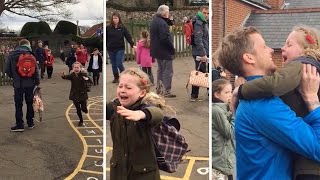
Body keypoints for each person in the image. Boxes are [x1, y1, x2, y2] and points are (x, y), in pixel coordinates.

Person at [216, 26, 320, 179]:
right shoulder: (262, 105)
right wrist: (312, 100)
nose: (272, 50)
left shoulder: (256, 99)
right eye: (264, 46)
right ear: (249, 58)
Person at [107, 68, 171, 180]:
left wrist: (142, 114)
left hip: (143, 174)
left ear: (142, 93)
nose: (122, 90)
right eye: (120, 86)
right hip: (119, 171)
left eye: (128, 87)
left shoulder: (146, 107)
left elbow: (158, 113)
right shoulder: (114, 108)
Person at [5, 39, 40, 131]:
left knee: (18, 104)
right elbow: (36, 71)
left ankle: (19, 125)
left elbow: (7, 70)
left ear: (19, 45)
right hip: (30, 84)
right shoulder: (31, 54)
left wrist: (14, 77)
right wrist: (37, 82)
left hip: (18, 84)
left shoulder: (11, 55)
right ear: (27, 45)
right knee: (29, 103)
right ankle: (30, 123)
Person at [150, 5, 176, 98]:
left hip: (157, 51)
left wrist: (169, 21)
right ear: (164, 12)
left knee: (160, 70)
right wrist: (172, 48)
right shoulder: (162, 23)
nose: (169, 13)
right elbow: (164, 38)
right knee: (167, 71)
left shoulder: (155, 20)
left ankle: (159, 88)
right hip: (164, 51)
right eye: (168, 11)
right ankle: (167, 91)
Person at [212, 79, 235, 180]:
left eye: (231, 91)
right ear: (217, 94)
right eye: (227, 92)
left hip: (225, 159)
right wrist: (233, 111)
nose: (230, 95)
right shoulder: (217, 110)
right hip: (220, 162)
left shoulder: (224, 108)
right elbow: (230, 133)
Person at [106, 12, 135, 83]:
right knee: (113, 64)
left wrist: (132, 44)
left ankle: (125, 77)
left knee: (119, 63)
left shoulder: (122, 27)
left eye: (116, 18)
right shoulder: (108, 28)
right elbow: (105, 38)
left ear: (119, 19)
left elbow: (128, 36)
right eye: (113, 18)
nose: (115, 19)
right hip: (110, 49)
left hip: (120, 48)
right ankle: (116, 77)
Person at [190, 6, 209, 101]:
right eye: (205, 13)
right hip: (200, 52)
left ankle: (209, 93)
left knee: (207, 73)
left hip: (205, 51)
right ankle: (194, 95)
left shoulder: (204, 22)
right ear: (200, 12)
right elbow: (198, 39)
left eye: (208, 13)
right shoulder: (198, 22)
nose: (206, 15)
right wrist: (203, 54)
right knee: (199, 73)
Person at [61, 62, 89, 127]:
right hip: (74, 94)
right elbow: (66, 77)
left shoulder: (83, 74)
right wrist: (63, 76)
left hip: (82, 94)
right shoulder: (72, 75)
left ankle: (84, 108)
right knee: (78, 109)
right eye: (75, 67)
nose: (76, 69)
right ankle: (81, 120)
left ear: (80, 68)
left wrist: (85, 77)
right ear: (73, 68)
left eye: (77, 67)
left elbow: (88, 79)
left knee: (83, 107)